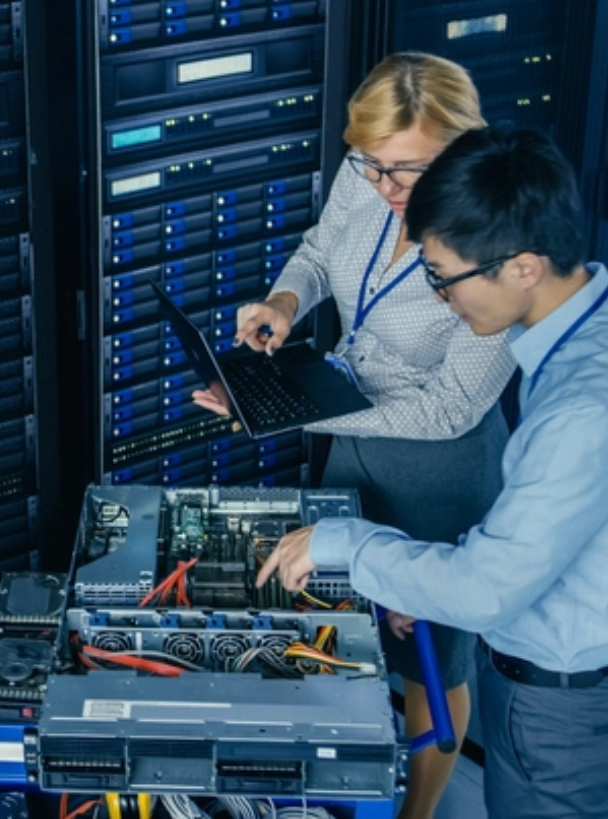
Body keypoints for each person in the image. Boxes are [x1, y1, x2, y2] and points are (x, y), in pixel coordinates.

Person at [255, 126, 608, 819]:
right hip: (578, 659)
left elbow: (486, 592)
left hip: (557, 708)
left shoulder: (583, 410)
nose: (441, 298)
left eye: (444, 277)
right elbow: (553, 526)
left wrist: (345, 545)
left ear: (521, 266)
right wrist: (430, 580)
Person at [193, 53, 516, 819]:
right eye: (373, 166)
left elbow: (449, 411)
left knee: (429, 662)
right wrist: (283, 302)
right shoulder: (367, 171)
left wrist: (288, 412)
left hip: (439, 467)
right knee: (346, 624)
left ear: (463, 149)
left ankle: (416, 814)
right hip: (349, 433)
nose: (387, 188)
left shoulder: (499, 238)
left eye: (407, 172)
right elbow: (317, 250)